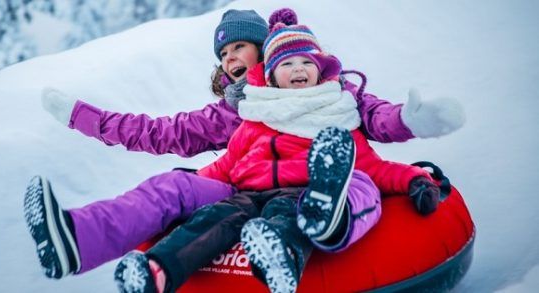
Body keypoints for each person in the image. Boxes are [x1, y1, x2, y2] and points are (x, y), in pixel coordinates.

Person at [24, 8, 462, 282]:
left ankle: (322, 221)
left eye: (239, 47)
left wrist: (410, 121)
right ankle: (78, 239)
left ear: (264, 51)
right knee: (174, 187)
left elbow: (376, 121)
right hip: (242, 188)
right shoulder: (236, 112)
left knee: (352, 184)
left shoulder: (333, 93)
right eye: (223, 55)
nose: (231, 60)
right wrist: (84, 117)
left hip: (308, 186)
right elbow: (158, 133)